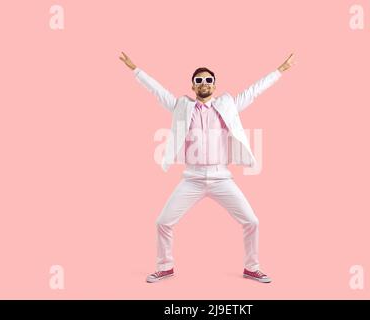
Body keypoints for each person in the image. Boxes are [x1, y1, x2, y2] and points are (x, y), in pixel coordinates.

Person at [119, 52, 295, 283]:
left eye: (208, 80)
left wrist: (279, 70)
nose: (204, 83)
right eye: (199, 80)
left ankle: (252, 268)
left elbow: (254, 91)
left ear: (215, 85)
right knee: (163, 222)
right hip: (192, 178)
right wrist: (136, 70)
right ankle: (166, 267)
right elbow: (157, 91)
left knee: (252, 221)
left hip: (222, 178)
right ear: (193, 86)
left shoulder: (228, 104)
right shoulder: (181, 106)